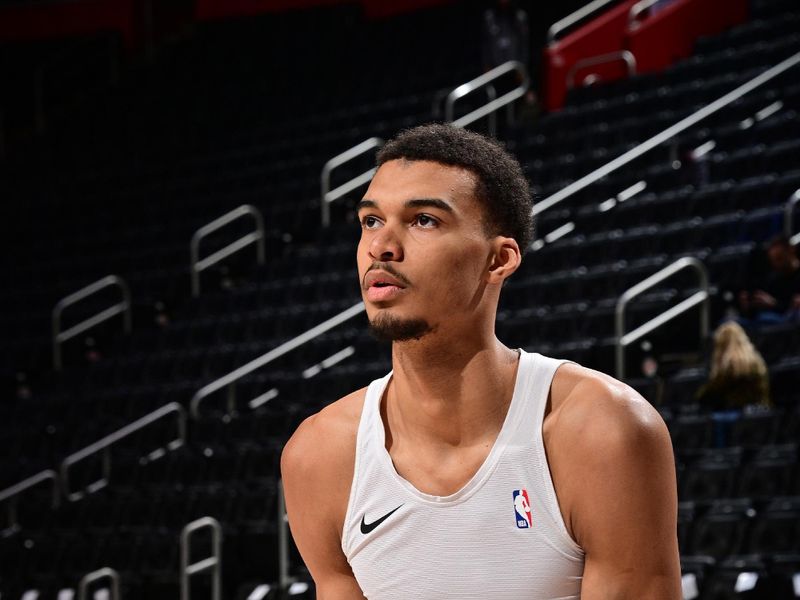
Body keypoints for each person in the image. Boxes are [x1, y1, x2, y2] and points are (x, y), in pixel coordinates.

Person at [281, 124, 680, 599]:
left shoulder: (600, 432)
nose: (381, 247)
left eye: (423, 220)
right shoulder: (320, 457)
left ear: (499, 260)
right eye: (370, 221)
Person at [695, 321, 770, 411]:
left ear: (720, 345)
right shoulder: (758, 364)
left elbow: (711, 393)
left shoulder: (726, 368)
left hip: (732, 416)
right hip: (758, 414)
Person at [737, 234, 800, 324]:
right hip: (772, 321)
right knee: (731, 322)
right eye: (773, 261)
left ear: (791, 250)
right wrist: (748, 307)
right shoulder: (773, 280)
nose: (777, 265)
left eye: (780, 258)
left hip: (791, 320)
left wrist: (775, 304)